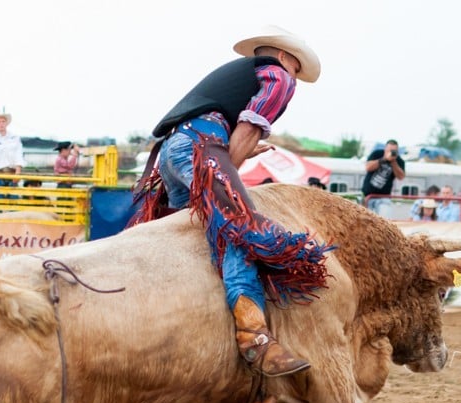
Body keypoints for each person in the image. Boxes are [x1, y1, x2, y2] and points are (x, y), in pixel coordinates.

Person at [131, 26, 331, 379]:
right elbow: (249, 127)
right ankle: (255, 338)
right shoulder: (278, 76)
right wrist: (228, 175)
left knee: (184, 232)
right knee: (237, 229)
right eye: (296, 70)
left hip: (173, 151)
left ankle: (163, 318)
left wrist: (226, 159)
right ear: (286, 59)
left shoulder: (235, 76)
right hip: (199, 146)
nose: (294, 80)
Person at [0, 112, 24, 200]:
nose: (1, 124)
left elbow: (19, 155)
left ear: (6, 123)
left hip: (12, 172)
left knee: (14, 200)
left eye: (3, 121)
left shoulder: (15, 137)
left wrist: (18, 173)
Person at [361, 139, 405, 212]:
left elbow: (401, 177)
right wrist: (384, 159)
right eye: (390, 150)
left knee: (383, 217)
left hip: (384, 198)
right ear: (385, 149)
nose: (392, 152)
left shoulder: (399, 161)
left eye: (394, 151)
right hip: (368, 196)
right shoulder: (376, 154)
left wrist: (393, 162)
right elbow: (368, 167)